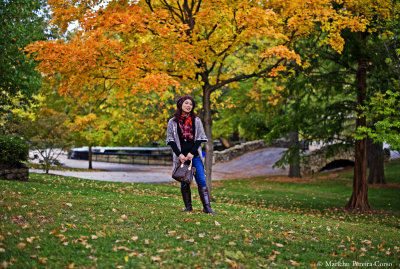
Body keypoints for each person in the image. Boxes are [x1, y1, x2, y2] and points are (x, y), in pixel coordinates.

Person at [166, 95, 215, 215]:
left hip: (194, 156)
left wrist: (191, 153)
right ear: (181, 104)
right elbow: (170, 140)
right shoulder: (172, 122)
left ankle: (207, 208)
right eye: (186, 103)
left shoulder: (196, 120)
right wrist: (180, 155)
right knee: (184, 181)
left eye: (191, 104)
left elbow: (200, 138)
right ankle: (188, 207)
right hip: (181, 157)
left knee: (201, 180)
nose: (189, 106)